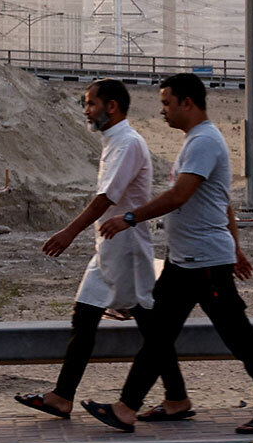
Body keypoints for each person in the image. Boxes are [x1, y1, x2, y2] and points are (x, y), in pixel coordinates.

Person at [82, 72, 253, 435]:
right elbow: (222, 202)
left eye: (166, 103)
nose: (162, 111)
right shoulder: (196, 141)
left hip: (204, 264)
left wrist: (129, 217)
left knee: (236, 335)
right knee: (159, 335)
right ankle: (150, 405)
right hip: (189, 261)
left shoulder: (204, 142)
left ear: (187, 103)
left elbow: (180, 196)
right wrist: (237, 248)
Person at [15, 78, 191, 422]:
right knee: (86, 317)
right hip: (109, 248)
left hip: (127, 249)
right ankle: (63, 396)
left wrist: (69, 232)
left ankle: (176, 397)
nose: (86, 111)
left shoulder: (127, 144)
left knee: (149, 326)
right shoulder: (115, 141)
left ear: (111, 107)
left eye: (90, 104)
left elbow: (106, 199)